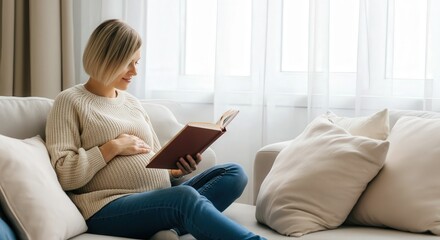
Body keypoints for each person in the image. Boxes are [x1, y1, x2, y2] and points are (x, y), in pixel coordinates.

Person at [45, 19, 266, 240]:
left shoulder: (132, 103)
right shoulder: (69, 101)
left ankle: (170, 229)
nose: (134, 71)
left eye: (137, 63)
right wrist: (111, 147)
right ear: (106, 58)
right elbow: (65, 174)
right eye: (128, 63)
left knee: (234, 173)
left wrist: (176, 170)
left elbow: (155, 158)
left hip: (158, 196)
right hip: (106, 207)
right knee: (183, 197)